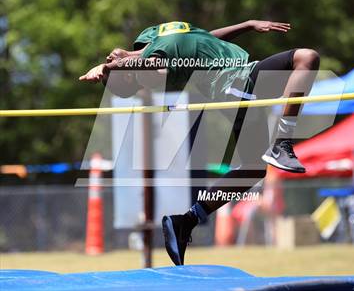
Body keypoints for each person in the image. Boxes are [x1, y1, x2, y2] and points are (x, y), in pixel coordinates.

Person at [80, 20, 320, 265]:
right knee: (306, 58)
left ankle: (185, 221)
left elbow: (204, 37)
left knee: (253, 170)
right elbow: (155, 66)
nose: (109, 56)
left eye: (110, 59)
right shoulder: (152, 70)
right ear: (129, 75)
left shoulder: (150, 37)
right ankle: (282, 143)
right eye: (111, 62)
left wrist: (247, 25)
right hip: (235, 86)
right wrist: (112, 66)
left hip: (247, 71)